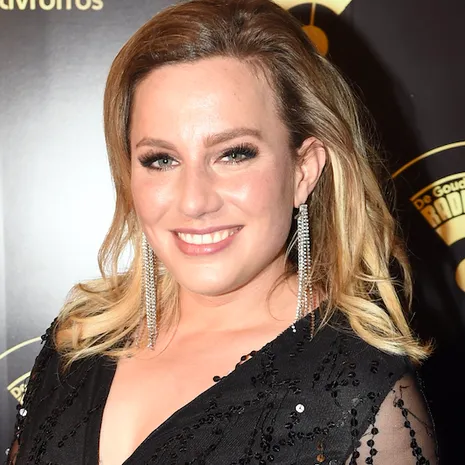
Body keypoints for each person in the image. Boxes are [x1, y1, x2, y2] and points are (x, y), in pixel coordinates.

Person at [6, 0, 439, 463]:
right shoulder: (78, 345)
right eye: (161, 159)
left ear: (304, 170)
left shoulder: (356, 395)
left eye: (233, 154)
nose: (194, 201)